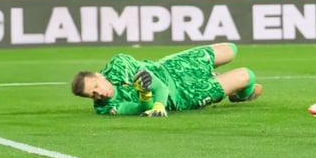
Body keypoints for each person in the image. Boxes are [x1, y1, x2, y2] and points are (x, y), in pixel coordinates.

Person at [71, 43, 262, 116]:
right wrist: (147, 98)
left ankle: (227, 86)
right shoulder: (105, 107)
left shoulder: (118, 63)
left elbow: (157, 84)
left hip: (173, 66)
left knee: (230, 49)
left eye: (96, 86)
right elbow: (139, 109)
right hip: (183, 95)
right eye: (93, 95)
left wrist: (157, 102)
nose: (99, 94)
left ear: (99, 75)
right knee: (247, 75)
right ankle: (242, 95)